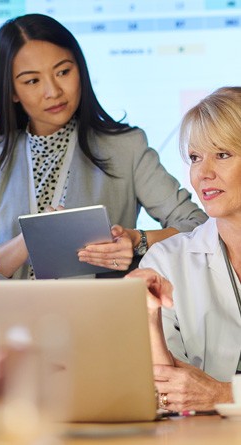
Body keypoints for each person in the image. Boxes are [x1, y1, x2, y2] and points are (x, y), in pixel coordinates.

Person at [0, 13, 207, 280]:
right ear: (12, 91)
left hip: (99, 314)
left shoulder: (126, 147)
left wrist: (137, 240)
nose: (53, 91)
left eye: (63, 72)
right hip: (8, 317)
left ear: (81, 69)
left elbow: (196, 226)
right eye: (32, 80)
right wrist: (32, 238)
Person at [127, 86, 241, 412]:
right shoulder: (166, 261)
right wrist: (147, 321)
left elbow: (201, 390)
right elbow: (164, 385)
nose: (203, 174)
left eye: (222, 154)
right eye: (195, 158)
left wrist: (223, 394)